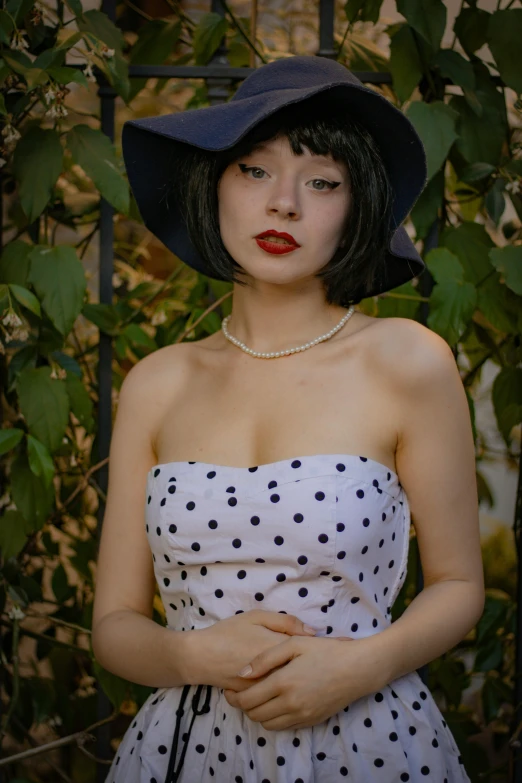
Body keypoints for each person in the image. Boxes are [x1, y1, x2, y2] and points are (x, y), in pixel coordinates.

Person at [92, 55, 484, 783]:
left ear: (357, 204)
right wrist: (187, 654)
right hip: (185, 751)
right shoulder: (159, 381)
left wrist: (355, 667)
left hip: (365, 741)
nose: (284, 205)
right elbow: (113, 626)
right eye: (254, 170)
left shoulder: (408, 361)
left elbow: (460, 584)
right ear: (213, 186)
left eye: (323, 181)